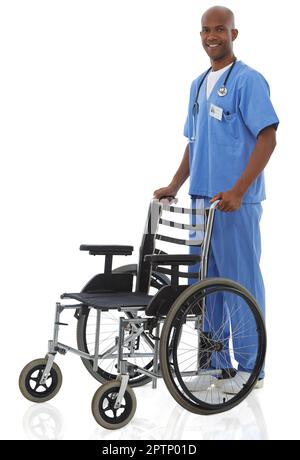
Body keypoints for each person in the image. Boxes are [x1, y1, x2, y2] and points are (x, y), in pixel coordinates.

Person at [153, 6, 279, 394]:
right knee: (203, 286)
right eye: (206, 30)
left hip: (235, 203)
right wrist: (175, 183)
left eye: (220, 29)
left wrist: (239, 190)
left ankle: (251, 369)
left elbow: (268, 137)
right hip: (201, 201)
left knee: (240, 281)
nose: (212, 36)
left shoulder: (249, 81)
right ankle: (216, 364)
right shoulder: (196, 84)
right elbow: (195, 141)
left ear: (233, 34)